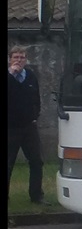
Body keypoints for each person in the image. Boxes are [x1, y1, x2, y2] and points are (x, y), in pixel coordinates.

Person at [7, 45, 47, 205]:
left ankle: (36, 196)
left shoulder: (30, 76)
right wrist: (12, 75)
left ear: (26, 60)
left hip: (29, 127)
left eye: (22, 57)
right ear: (10, 59)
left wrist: (35, 115)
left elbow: (36, 98)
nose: (19, 60)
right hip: (10, 128)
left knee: (36, 161)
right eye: (15, 57)